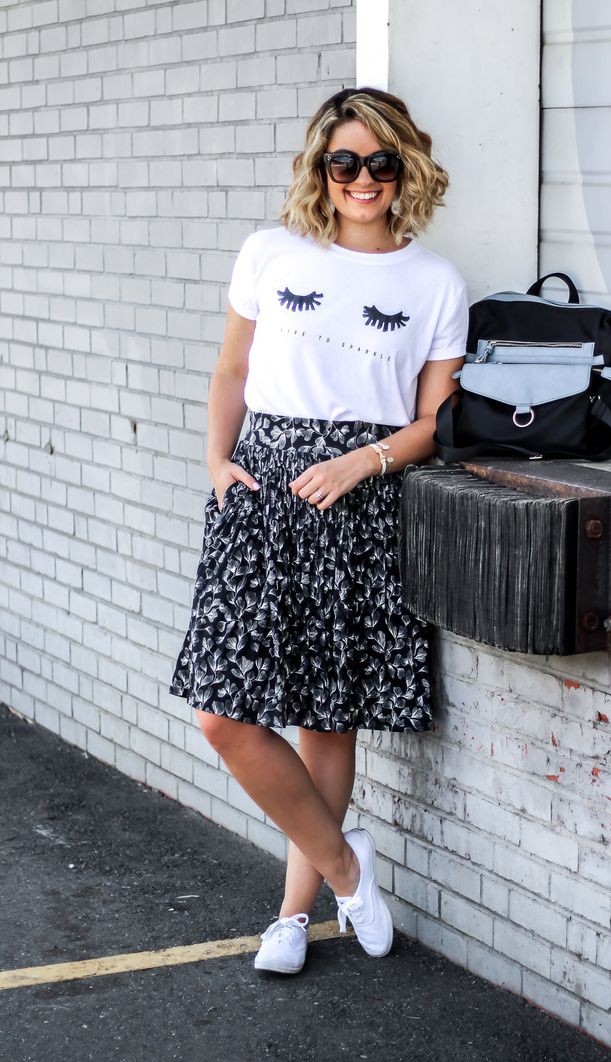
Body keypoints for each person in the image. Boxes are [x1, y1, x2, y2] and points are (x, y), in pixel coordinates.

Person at [168, 86, 468, 974]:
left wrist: (362, 462)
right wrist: (217, 463)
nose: (362, 178)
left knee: (324, 721)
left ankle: (295, 916)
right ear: (321, 169)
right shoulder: (271, 252)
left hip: (356, 499)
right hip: (258, 495)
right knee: (223, 715)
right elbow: (231, 369)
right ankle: (347, 866)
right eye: (346, 162)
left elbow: (432, 424)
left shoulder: (434, 282)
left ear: (403, 167)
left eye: (380, 161)